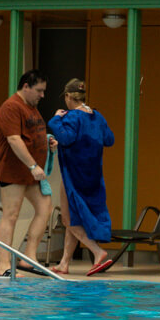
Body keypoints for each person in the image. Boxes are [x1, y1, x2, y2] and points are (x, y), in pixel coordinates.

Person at [48, 78, 116, 277]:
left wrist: (55, 120)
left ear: (69, 96)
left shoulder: (71, 117)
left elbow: (67, 137)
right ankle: (64, 263)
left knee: (68, 219)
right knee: (75, 217)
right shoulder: (98, 116)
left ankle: (97, 252)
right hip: (93, 176)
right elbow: (109, 140)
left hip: (74, 174)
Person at [0, 70, 55, 277]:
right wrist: (32, 165)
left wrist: (48, 141)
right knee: (11, 215)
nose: (42, 95)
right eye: (39, 90)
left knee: (45, 207)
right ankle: (3, 265)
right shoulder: (10, 107)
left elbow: (32, 134)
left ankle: (29, 258)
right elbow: (14, 140)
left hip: (30, 173)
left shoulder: (31, 108)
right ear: (26, 86)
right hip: (13, 170)